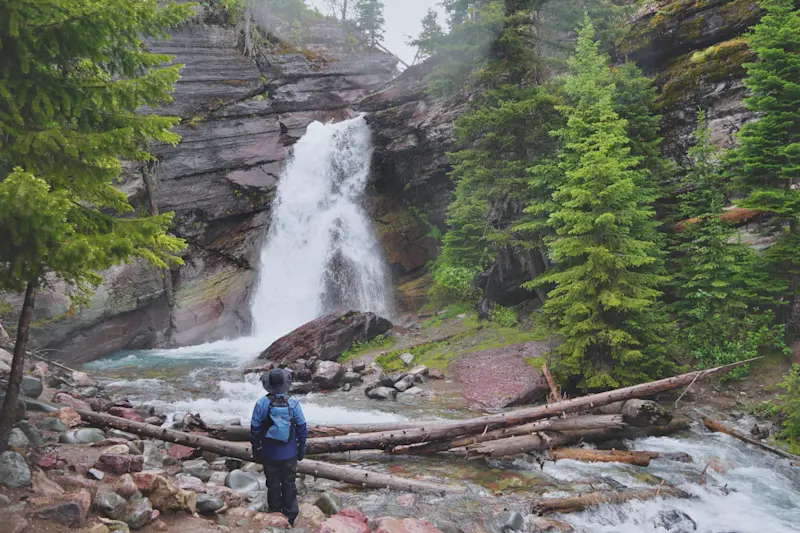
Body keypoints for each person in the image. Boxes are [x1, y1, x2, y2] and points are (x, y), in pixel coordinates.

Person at [250, 368, 307, 525]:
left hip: (269, 452)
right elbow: (302, 426)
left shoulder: (262, 403)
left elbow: (254, 428)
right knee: (289, 482)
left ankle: (275, 512)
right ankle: (290, 515)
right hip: (289, 452)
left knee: (273, 482)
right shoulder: (293, 403)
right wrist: (302, 446)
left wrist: (256, 447)